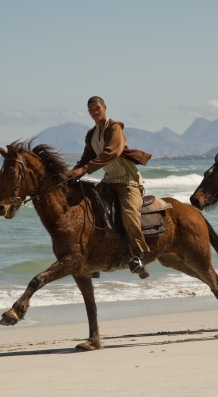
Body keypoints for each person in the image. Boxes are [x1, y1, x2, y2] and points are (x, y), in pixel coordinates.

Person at [68, 96, 152, 278]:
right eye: (91, 110)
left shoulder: (114, 128)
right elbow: (85, 158)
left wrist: (85, 169)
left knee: (129, 214)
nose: (94, 112)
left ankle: (139, 257)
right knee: (89, 209)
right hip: (109, 179)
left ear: (105, 108)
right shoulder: (91, 135)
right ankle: (94, 260)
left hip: (127, 180)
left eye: (97, 108)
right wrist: (70, 173)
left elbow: (111, 152)